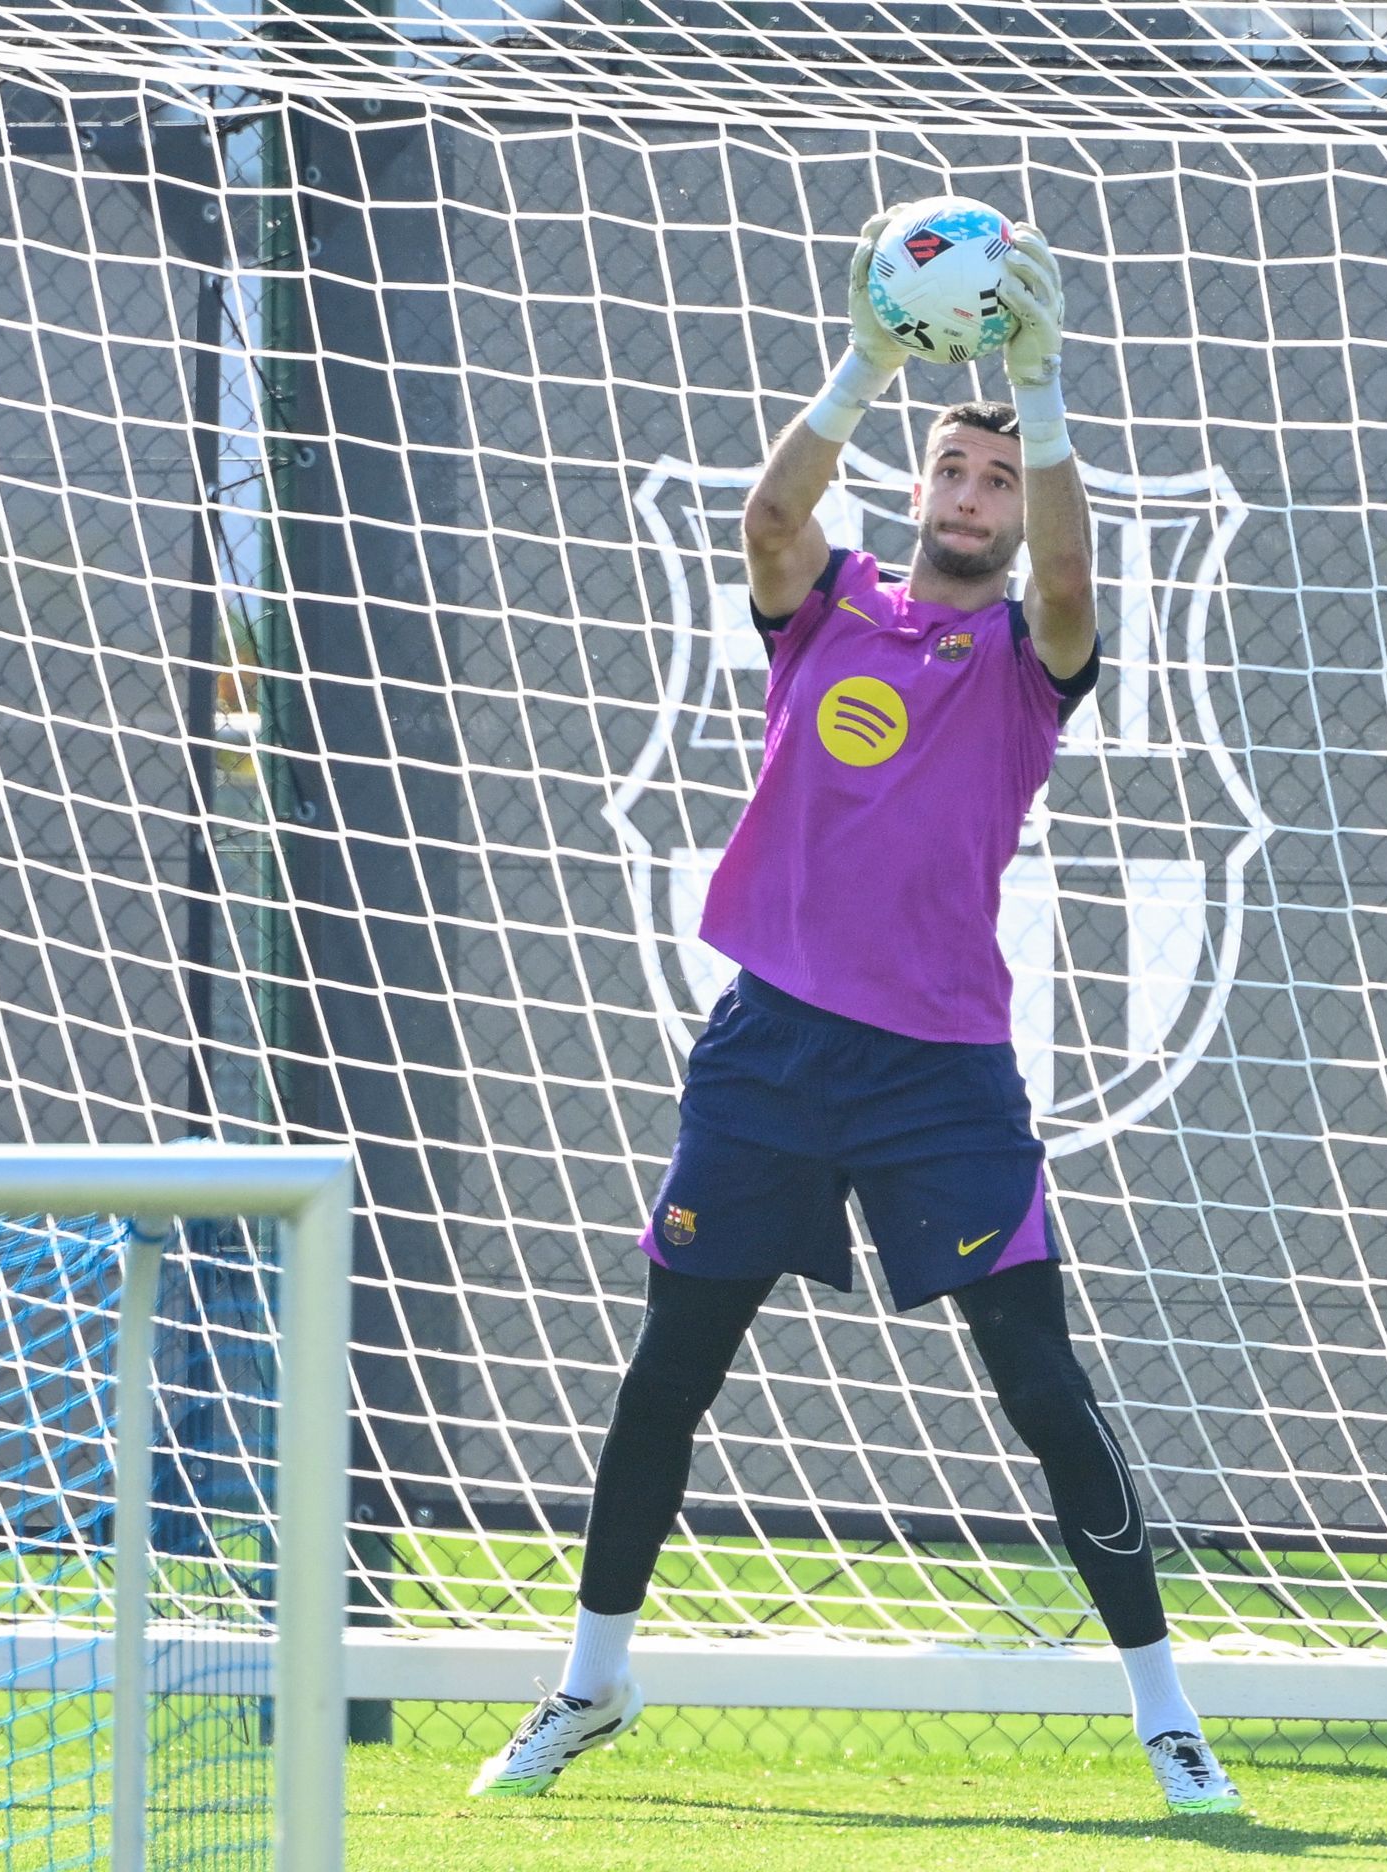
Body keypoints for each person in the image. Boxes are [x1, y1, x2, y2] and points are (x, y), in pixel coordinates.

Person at [468, 217, 1243, 1815]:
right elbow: (766, 513)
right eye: (952, 471)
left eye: (994, 482)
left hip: (940, 1073)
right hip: (767, 1050)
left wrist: (1043, 388)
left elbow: (1082, 573)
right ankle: (588, 1686)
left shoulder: (1033, 653)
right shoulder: (825, 607)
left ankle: (1167, 1718)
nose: (970, 497)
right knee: (670, 1370)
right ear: (919, 487)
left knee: (1040, 1384)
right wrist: (868, 360)